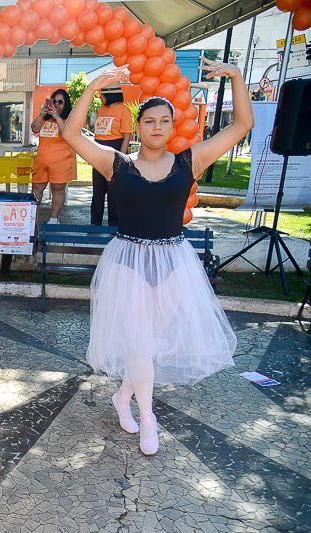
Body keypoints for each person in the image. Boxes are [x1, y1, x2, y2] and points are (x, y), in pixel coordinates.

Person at [61, 60, 250, 455]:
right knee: (139, 343)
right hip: (128, 260)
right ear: (139, 125)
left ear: (172, 125)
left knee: (151, 342)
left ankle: (122, 396)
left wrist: (235, 76)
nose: (158, 127)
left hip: (173, 262)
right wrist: (93, 88)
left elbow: (241, 126)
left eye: (165, 121)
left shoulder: (189, 162)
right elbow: (71, 133)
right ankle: (148, 418)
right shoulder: (116, 163)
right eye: (150, 121)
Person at [31, 89, 76, 224]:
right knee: (36, 188)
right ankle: (33, 218)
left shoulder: (69, 119)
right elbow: (34, 128)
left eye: (60, 102)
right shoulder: (45, 118)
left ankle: (54, 218)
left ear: (66, 104)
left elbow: (66, 134)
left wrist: (57, 117)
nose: (57, 105)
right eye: (54, 101)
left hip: (61, 161)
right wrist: (42, 114)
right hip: (41, 160)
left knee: (57, 189)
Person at [90, 83, 132, 226]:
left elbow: (126, 136)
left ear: (110, 94)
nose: (100, 97)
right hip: (98, 152)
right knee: (97, 191)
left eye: (102, 95)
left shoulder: (124, 111)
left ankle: (114, 225)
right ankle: (95, 224)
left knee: (113, 191)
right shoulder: (101, 110)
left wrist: (121, 158)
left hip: (115, 150)